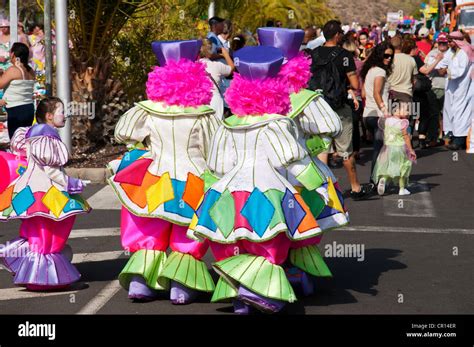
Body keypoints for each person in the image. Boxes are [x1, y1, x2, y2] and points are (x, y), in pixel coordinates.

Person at [189, 46, 327, 314]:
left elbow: (217, 165)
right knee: (268, 245)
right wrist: (315, 184)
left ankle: (243, 297)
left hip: (229, 191)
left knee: (237, 244)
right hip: (269, 191)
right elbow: (292, 158)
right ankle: (259, 293)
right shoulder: (277, 123)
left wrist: (209, 190)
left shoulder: (229, 123)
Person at [107, 40, 218, 303]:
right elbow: (215, 147)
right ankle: (181, 284)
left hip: (155, 179)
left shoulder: (146, 110)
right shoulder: (204, 115)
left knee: (149, 229)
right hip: (193, 181)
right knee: (187, 234)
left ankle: (141, 281)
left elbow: (123, 132)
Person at [0, 96, 91, 290]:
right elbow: (50, 169)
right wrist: (71, 183)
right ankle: (42, 278)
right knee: (48, 233)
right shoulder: (46, 135)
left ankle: (27, 267)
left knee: (37, 232)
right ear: (49, 116)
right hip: (45, 191)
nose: (65, 115)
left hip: (29, 190)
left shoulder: (30, 133)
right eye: (61, 112)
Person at [309, 20, 373, 200]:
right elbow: (354, 83)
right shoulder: (344, 55)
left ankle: (324, 190)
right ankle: (355, 187)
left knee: (323, 149)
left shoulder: (313, 54)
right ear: (337, 35)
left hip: (319, 108)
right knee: (345, 151)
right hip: (339, 108)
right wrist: (347, 88)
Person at [361, 42, 394, 183]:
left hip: (368, 115)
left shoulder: (370, 70)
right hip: (378, 115)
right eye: (386, 55)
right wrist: (385, 111)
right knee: (381, 149)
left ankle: (377, 179)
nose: (389, 58)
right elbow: (376, 93)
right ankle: (376, 179)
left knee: (379, 147)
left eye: (391, 56)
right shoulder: (380, 72)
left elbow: (363, 93)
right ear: (379, 55)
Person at [373, 100, 417, 196]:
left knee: (389, 167)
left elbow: (384, 133)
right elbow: (406, 137)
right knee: (402, 168)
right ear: (396, 111)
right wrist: (411, 150)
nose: (408, 112)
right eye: (406, 110)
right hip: (400, 149)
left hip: (387, 148)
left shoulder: (387, 121)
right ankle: (402, 189)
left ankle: (383, 179)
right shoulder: (403, 123)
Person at [419, 32, 452, 147]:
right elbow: (427, 68)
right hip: (434, 87)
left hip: (449, 88)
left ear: (448, 43)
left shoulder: (452, 53)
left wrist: (444, 68)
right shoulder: (432, 53)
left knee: (447, 114)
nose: (442, 44)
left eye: (444, 42)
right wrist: (439, 64)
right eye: (440, 42)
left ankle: (446, 137)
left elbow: (445, 70)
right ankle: (433, 137)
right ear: (437, 42)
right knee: (434, 114)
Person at [443, 31, 474, 150]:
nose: (449, 43)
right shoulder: (452, 52)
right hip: (453, 86)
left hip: (463, 86)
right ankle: (453, 135)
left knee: (460, 110)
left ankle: (459, 140)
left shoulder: (464, 52)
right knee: (451, 109)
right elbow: (442, 62)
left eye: (451, 41)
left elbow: (460, 71)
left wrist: (448, 71)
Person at [0, 42, 35, 139]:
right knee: (25, 139)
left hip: (17, 110)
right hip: (29, 108)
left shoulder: (13, 70)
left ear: (13, 54)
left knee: (16, 140)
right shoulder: (30, 70)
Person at [199, 39, 234, 120]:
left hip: (200, 101)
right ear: (210, 52)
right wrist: (225, 54)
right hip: (215, 101)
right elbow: (231, 68)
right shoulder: (216, 65)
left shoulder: (193, 65)